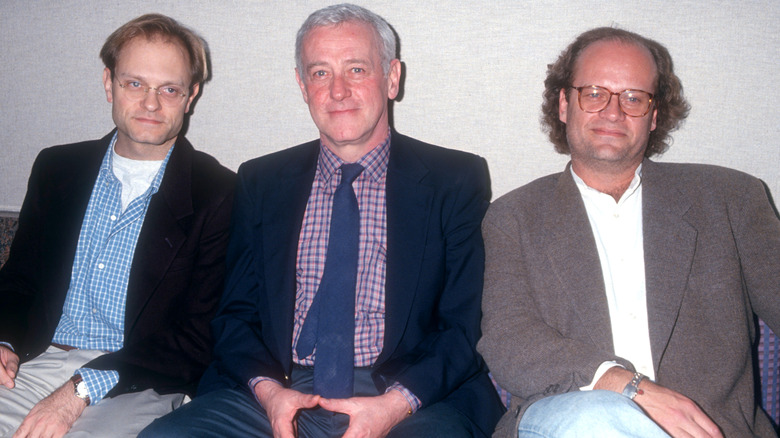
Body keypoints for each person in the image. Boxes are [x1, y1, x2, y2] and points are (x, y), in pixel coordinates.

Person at [140, 3, 505, 438]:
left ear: (392, 77)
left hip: (408, 395)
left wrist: (392, 406)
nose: (337, 91)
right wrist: (270, 393)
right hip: (280, 388)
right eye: (319, 73)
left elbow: (462, 326)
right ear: (301, 84)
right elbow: (235, 315)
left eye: (356, 70)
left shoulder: (453, 179)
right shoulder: (261, 181)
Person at [478, 26, 780, 438]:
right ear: (565, 104)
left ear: (654, 116)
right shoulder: (513, 217)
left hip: (710, 430)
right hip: (567, 418)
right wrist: (629, 386)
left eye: (634, 98)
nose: (614, 112)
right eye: (595, 93)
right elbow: (509, 341)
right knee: (594, 418)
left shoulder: (731, 199)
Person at [0, 13, 235, 437]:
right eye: (134, 84)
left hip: (136, 380)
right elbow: (18, 282)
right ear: (108, 83)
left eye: (169, 89)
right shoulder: (57, 168)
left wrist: (78, 391)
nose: (150, 103)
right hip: (35, 360)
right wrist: (5, 341)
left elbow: (197, 339)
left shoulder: (219, 193)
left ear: (191, 95)